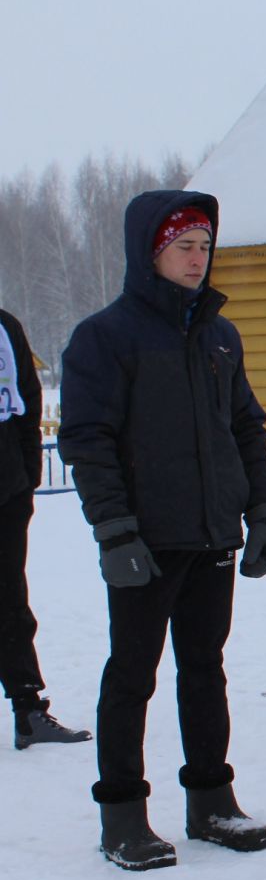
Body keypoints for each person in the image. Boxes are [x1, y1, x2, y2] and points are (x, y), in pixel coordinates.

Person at [58, 191, 266, 870]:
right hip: (146, 542)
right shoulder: (106, 338)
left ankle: (211, 802)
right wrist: (116, 533)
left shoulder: (220, 335)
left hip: (211, 534)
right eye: (184, 246)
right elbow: (87, 441)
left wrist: (264, 512)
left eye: (205, 247)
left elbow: (245, 426)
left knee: (204, 670)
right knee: (132, 675)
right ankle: (122, 816)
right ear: (149, 252)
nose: (197, 258)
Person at [1, 307, 90, 750]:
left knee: (10, 602)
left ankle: (28, 710)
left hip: (6, 489)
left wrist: (26, 476)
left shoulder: (5, 326)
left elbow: (27, 400)